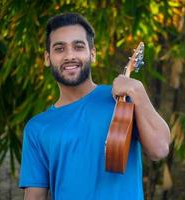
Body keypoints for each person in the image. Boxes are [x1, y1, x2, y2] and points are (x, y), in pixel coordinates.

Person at [19, 12, 170, 200]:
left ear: (92, 54)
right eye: (59, 49)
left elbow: (160, 149)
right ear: (47, 58)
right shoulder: (37, 128)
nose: (70, 56)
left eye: (78, 46)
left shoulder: (121, 101)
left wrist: (138, 91)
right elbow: (34, 196)